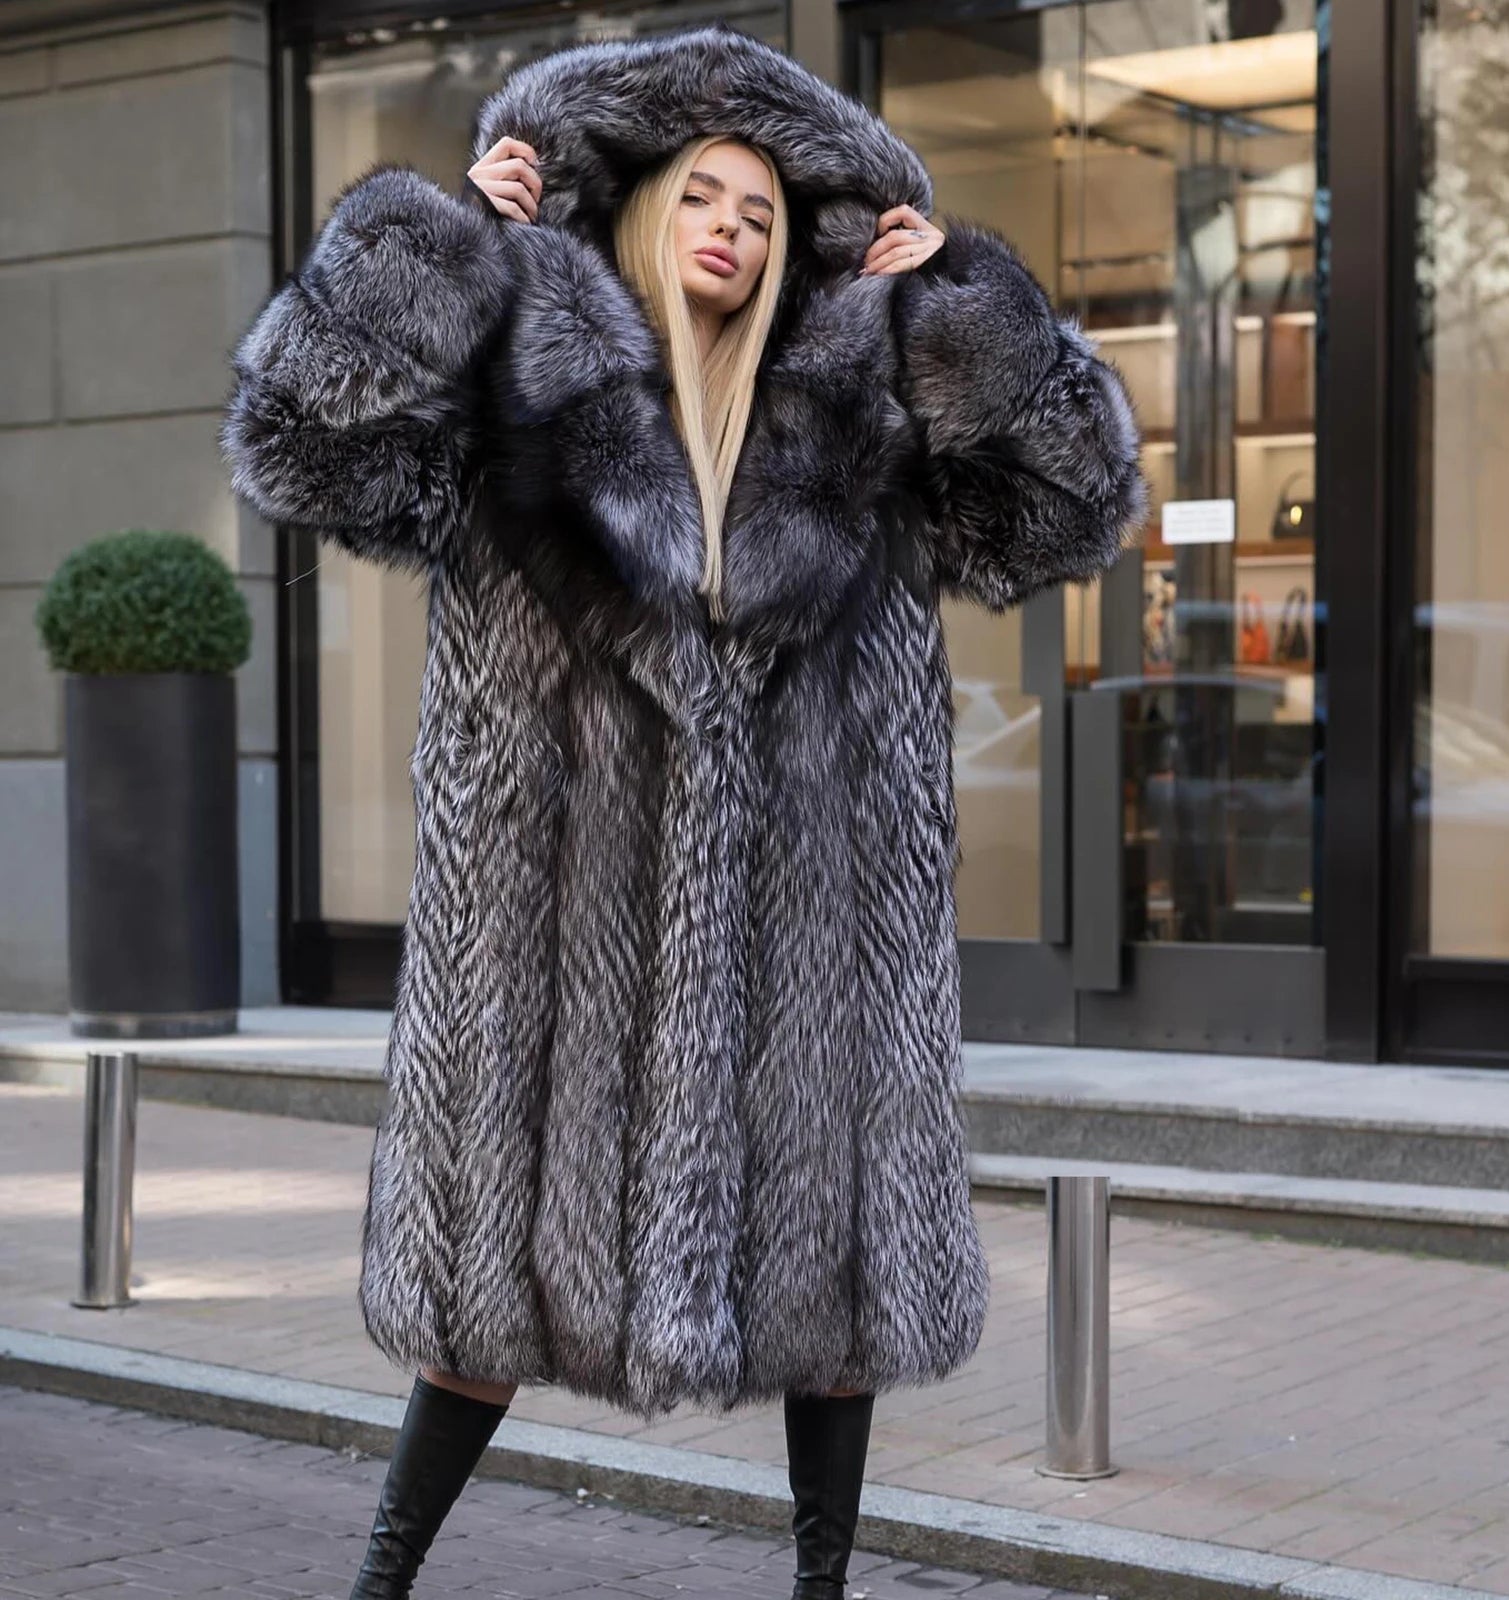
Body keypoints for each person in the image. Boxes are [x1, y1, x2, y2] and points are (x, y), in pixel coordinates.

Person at [221, 22, 1145, 1600]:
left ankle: (821, 1586)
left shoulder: (868, 428)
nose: (731, 223)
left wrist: (961, 318)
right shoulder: (514, 398)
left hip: (817, 947)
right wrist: (431, 255)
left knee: (832, 1313)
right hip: (548, 955)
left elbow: (1067, 512)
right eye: (702, 196)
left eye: (766, 212)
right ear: (645, 215)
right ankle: (380, 1579)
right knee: (482, 1315)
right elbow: (301, 453)